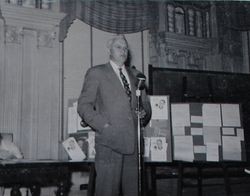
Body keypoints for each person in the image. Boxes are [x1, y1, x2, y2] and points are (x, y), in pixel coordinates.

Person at [77, 34, 151, 196]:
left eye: (125, 48)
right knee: (107, 192)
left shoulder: (137, 76)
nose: (123, 51)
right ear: (109, 50)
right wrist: (104, 126)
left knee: (134, 192)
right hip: (109, 145)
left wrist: (144, 114)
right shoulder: (97, 73)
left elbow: (146, 107)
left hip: (134, 147)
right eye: (118, 47)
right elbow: (83, 106)